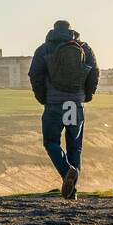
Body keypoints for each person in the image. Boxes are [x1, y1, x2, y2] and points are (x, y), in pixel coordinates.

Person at [28, 19, 99, 199]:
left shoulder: (44, 49)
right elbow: (95, 72)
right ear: (71, 30)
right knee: (75, 147)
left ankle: (68, 171)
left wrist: (43, 97)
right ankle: (72, 191)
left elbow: (34, 75)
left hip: (54, 104)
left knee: (51, 143)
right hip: (75, 104)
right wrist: (87, 96)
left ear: (53, 30)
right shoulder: (84, 48)